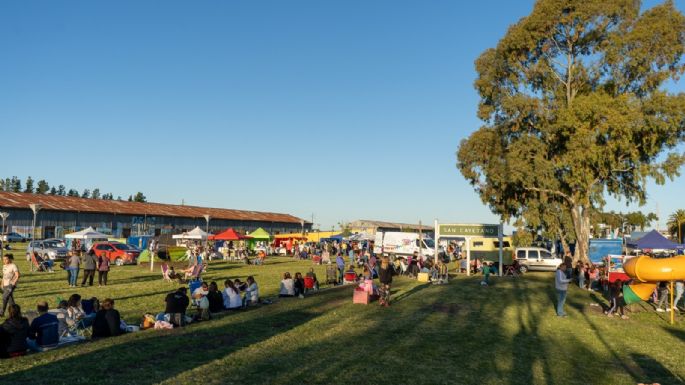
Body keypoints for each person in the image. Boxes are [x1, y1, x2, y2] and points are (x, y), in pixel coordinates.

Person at [1, 254, 20, 318]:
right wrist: (2, 284)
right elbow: (4, 276)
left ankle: (1, 312)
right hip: (5, 285)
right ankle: (15, 313)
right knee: (10, 300)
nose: (4, 260)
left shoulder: (13, 265)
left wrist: (13, 283)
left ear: (9, 259)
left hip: (11, 285)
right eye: (3, 259)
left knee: (4, 297)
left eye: (6, 259)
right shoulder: (4, 266)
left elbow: (17, 275)